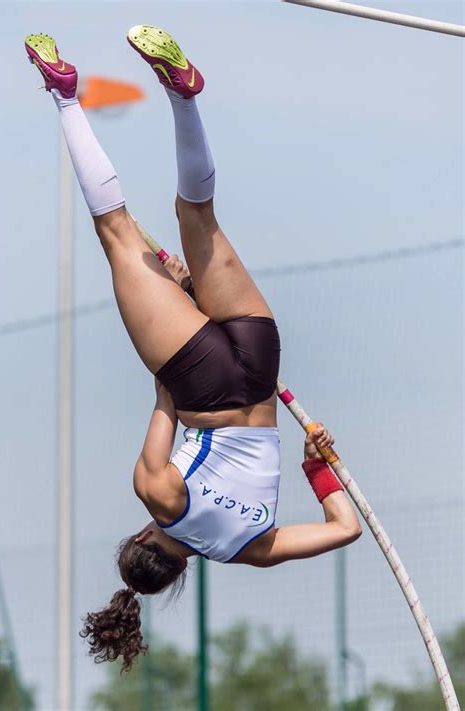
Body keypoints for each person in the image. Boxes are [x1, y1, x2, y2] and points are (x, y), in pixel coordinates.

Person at [25, 26, 362, 670]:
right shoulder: (158, 495)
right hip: (198, 379)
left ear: (181, 574)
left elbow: (345, 528)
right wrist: (176, 304)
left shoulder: (249, 549)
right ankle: (69, 95)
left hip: (261, 370)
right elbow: (164, 399)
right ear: (144, 537)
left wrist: (319, 466)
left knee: (196, 220)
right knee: (124, 234)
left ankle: (182, 97)